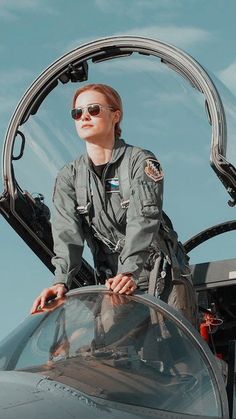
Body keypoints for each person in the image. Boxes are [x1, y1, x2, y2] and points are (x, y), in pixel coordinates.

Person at [31, 83, 197, 326]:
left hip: (161, 274)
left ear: (115, 115)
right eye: (77, 113)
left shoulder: (140, 162)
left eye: (94, 109)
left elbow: (143, 219)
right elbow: (67, 234)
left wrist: (128, 271)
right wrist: (61, 281)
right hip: (113, 282)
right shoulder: (69, 176)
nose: (84, 116)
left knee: (178, 355)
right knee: (113, 357)